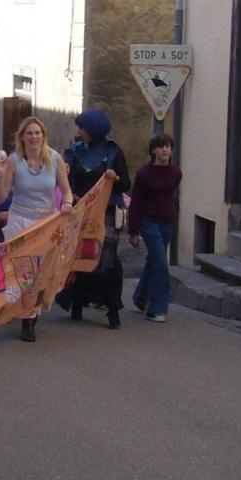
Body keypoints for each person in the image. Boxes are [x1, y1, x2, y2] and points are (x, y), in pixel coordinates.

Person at [0, 116, 74, 342]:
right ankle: (21, 314)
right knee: (20, 271)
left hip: (46, 224)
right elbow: (0, 197)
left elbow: (66, 190)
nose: (34, 137)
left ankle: (29, 317)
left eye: (37, 133)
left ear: (43, 135)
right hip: (20, 221)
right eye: (29, 133)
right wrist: (1, 174)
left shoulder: (55, 159)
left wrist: (66, 202)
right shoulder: (14, 161)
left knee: (40, 272)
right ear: (22, 137)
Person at [61, 109, 131, 328]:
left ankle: (112, 308)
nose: (79, 131)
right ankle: (78, 303)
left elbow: (126, 184)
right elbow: (67, 182)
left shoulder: (112, 151)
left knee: (106, 257)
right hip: (81, 210)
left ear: (94, 129)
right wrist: (73, 199)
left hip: (108, 211)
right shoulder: (74, 152)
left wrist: (115, 177)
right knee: (80, 254)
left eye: (83, 127)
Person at [129, 132, 183, 323]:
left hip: (167, 222)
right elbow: (136, 202)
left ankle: (140, 297)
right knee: (161, 262)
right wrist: (133, 231)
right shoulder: (144, 174)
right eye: (161, 146)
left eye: (168, 146)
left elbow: (171, 197)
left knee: (154, 260)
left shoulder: (176, 173)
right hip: (148, 221)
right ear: (153, 150)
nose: (165, 150)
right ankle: (157, 309)